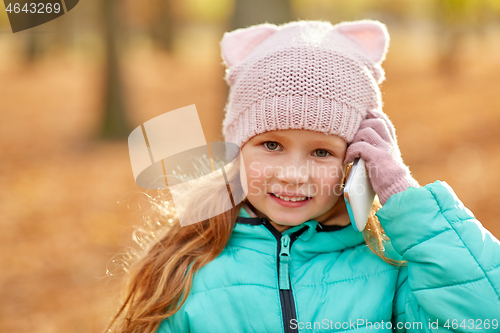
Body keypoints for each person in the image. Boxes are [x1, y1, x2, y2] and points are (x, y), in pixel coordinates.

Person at [107, 20, 500, 333]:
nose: (294, 174)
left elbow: (487, 314)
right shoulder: (188, 266)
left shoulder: (391, 264)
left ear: (356, 160)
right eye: (272, 145)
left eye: (322, 152)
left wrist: (402, 195)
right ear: (238, 149)